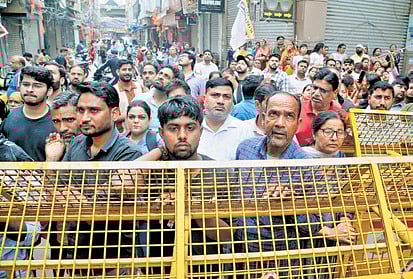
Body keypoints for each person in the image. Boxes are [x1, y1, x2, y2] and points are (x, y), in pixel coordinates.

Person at [136, 96, 232, 276]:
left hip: (207, 271)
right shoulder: (153, 171)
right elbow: (121, 181)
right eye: (173, 128)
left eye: (190, 128)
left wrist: (190, 207)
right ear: (161, 132)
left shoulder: (219, 173)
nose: (182, 135)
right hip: (160, 270)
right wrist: (160, 150)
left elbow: (229, 236)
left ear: (201, 131)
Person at [57, 81, 142, 276]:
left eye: (93, 110)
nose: (84, 118)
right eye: (80, 110)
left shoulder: (129, 153)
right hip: (77, 257)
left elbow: (99, 210)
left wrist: (77, 200)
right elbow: (59, 188)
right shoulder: (77, 144)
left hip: (116, 262)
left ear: (113, 114)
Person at [235, 92, 311, 278]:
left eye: (289, 116)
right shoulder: (245, 149)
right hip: (240, 252)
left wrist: (292, 204)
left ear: (298, 124)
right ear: (263, 118)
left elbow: (316, 225)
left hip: (281, 259)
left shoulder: (306, 166)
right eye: (273, 114)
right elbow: (235, 195)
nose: (279, 123)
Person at [0, 66, 56, 161]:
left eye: (37, 86)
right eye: (25, 84)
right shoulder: (8, 117)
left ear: (49, 90)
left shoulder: (58, 121)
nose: (29, 89)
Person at [198, 78, 254, 160]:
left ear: (232, 101)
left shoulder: (244, 131)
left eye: (226, 97)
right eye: (215, 95)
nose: (220, 101)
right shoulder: (192, 128)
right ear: (204, 99)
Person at [296, 68, 347, 146]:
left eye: (323, 91)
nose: (316, 93)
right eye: (315, 88)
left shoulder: (341, 115)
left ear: (334, 93)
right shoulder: (297, 109)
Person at [135, 65, 182, 130]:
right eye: (160, 73)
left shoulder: (175, 105)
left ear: (173, 83)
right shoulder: (140, 99)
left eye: (166, 76)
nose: (160, 77)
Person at [45, 91, 81, 161]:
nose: (62, 129)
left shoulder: (94, 148)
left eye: (70, 120)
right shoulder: (53, 147)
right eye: (56, 121)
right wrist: (51, 160)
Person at [114, 59, 144, 132]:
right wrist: (130, 115)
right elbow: (111, 117)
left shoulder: (139, 87)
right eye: (124, 69)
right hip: (122, 133)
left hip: (141, 130)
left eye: (129, 69)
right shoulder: (114, 90)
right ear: (118, 72)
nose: (127, 72)